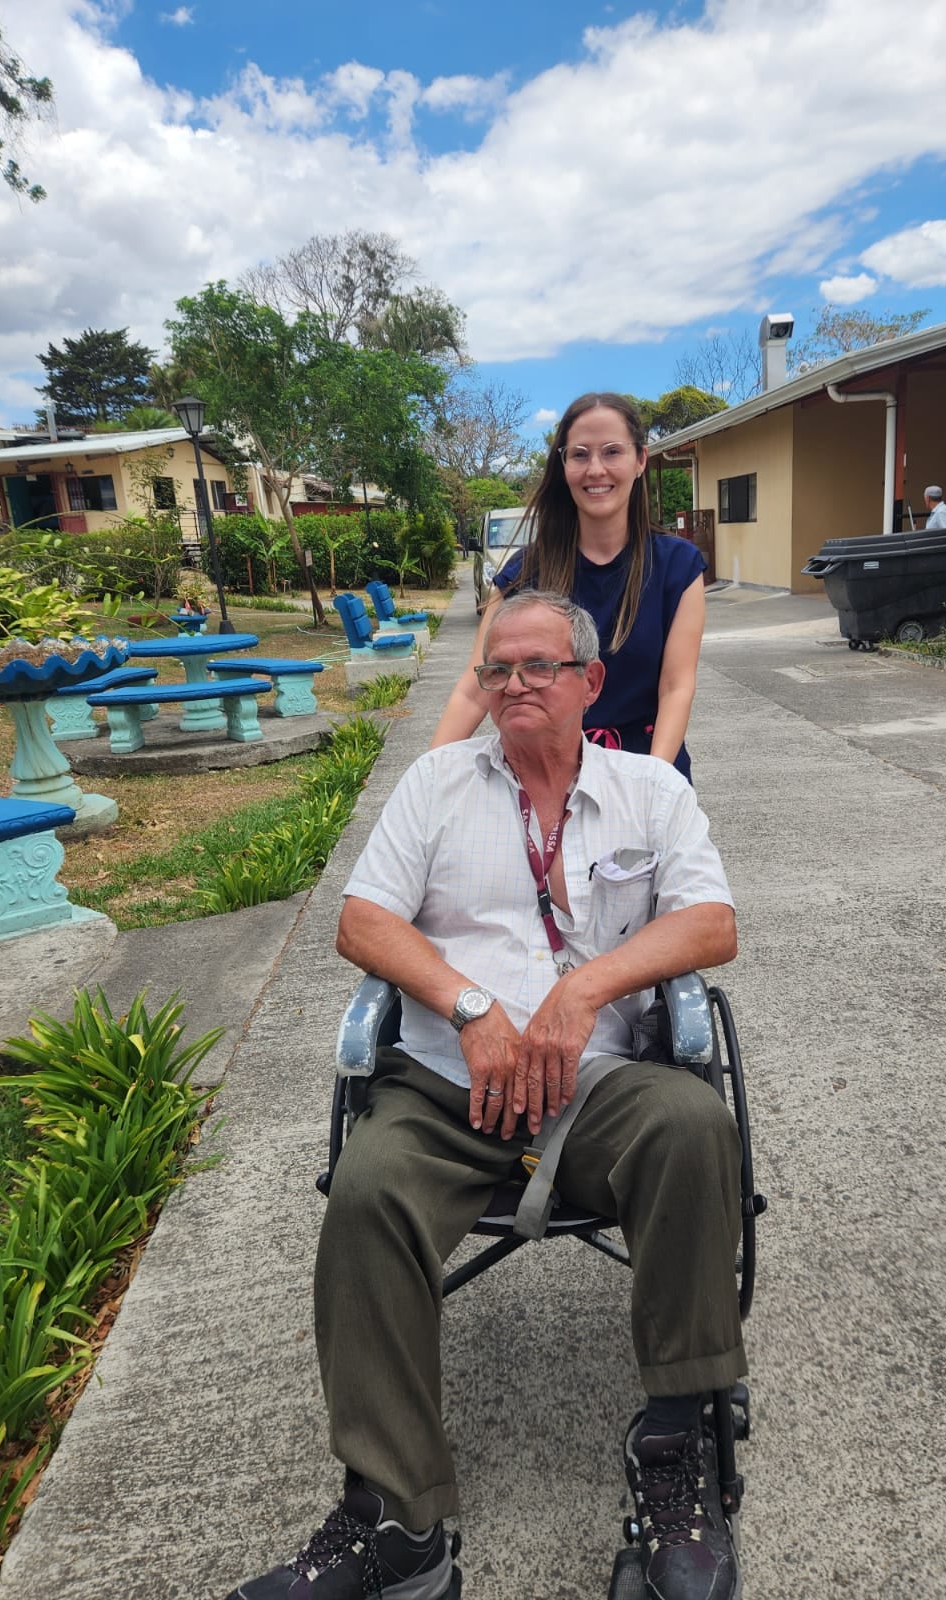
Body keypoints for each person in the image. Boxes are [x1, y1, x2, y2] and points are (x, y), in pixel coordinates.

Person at [223, 591, 746, 1600]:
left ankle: (676, 1454)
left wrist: (582, 989)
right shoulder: (437, 785)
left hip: (599, 1088)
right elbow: (364, 921)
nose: (512, 684)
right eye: (496, 668)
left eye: (537, 666)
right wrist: (470, 1006)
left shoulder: (649, 792)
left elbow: (711, 923)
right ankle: (396, 1521)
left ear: (589, 683)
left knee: (694, 1126)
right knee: (368, 1192)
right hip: (446, 1088)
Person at [430, 393, 707, 782]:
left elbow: (676, 688)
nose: (596, 469)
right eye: (579, 454)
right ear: (563, 465)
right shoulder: (524, 572)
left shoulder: (678, 566)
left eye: (612, 452)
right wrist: (424, 780)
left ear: (640, 460)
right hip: (544, 777)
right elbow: (475, 688)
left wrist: (654, 785)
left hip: (644, 769)